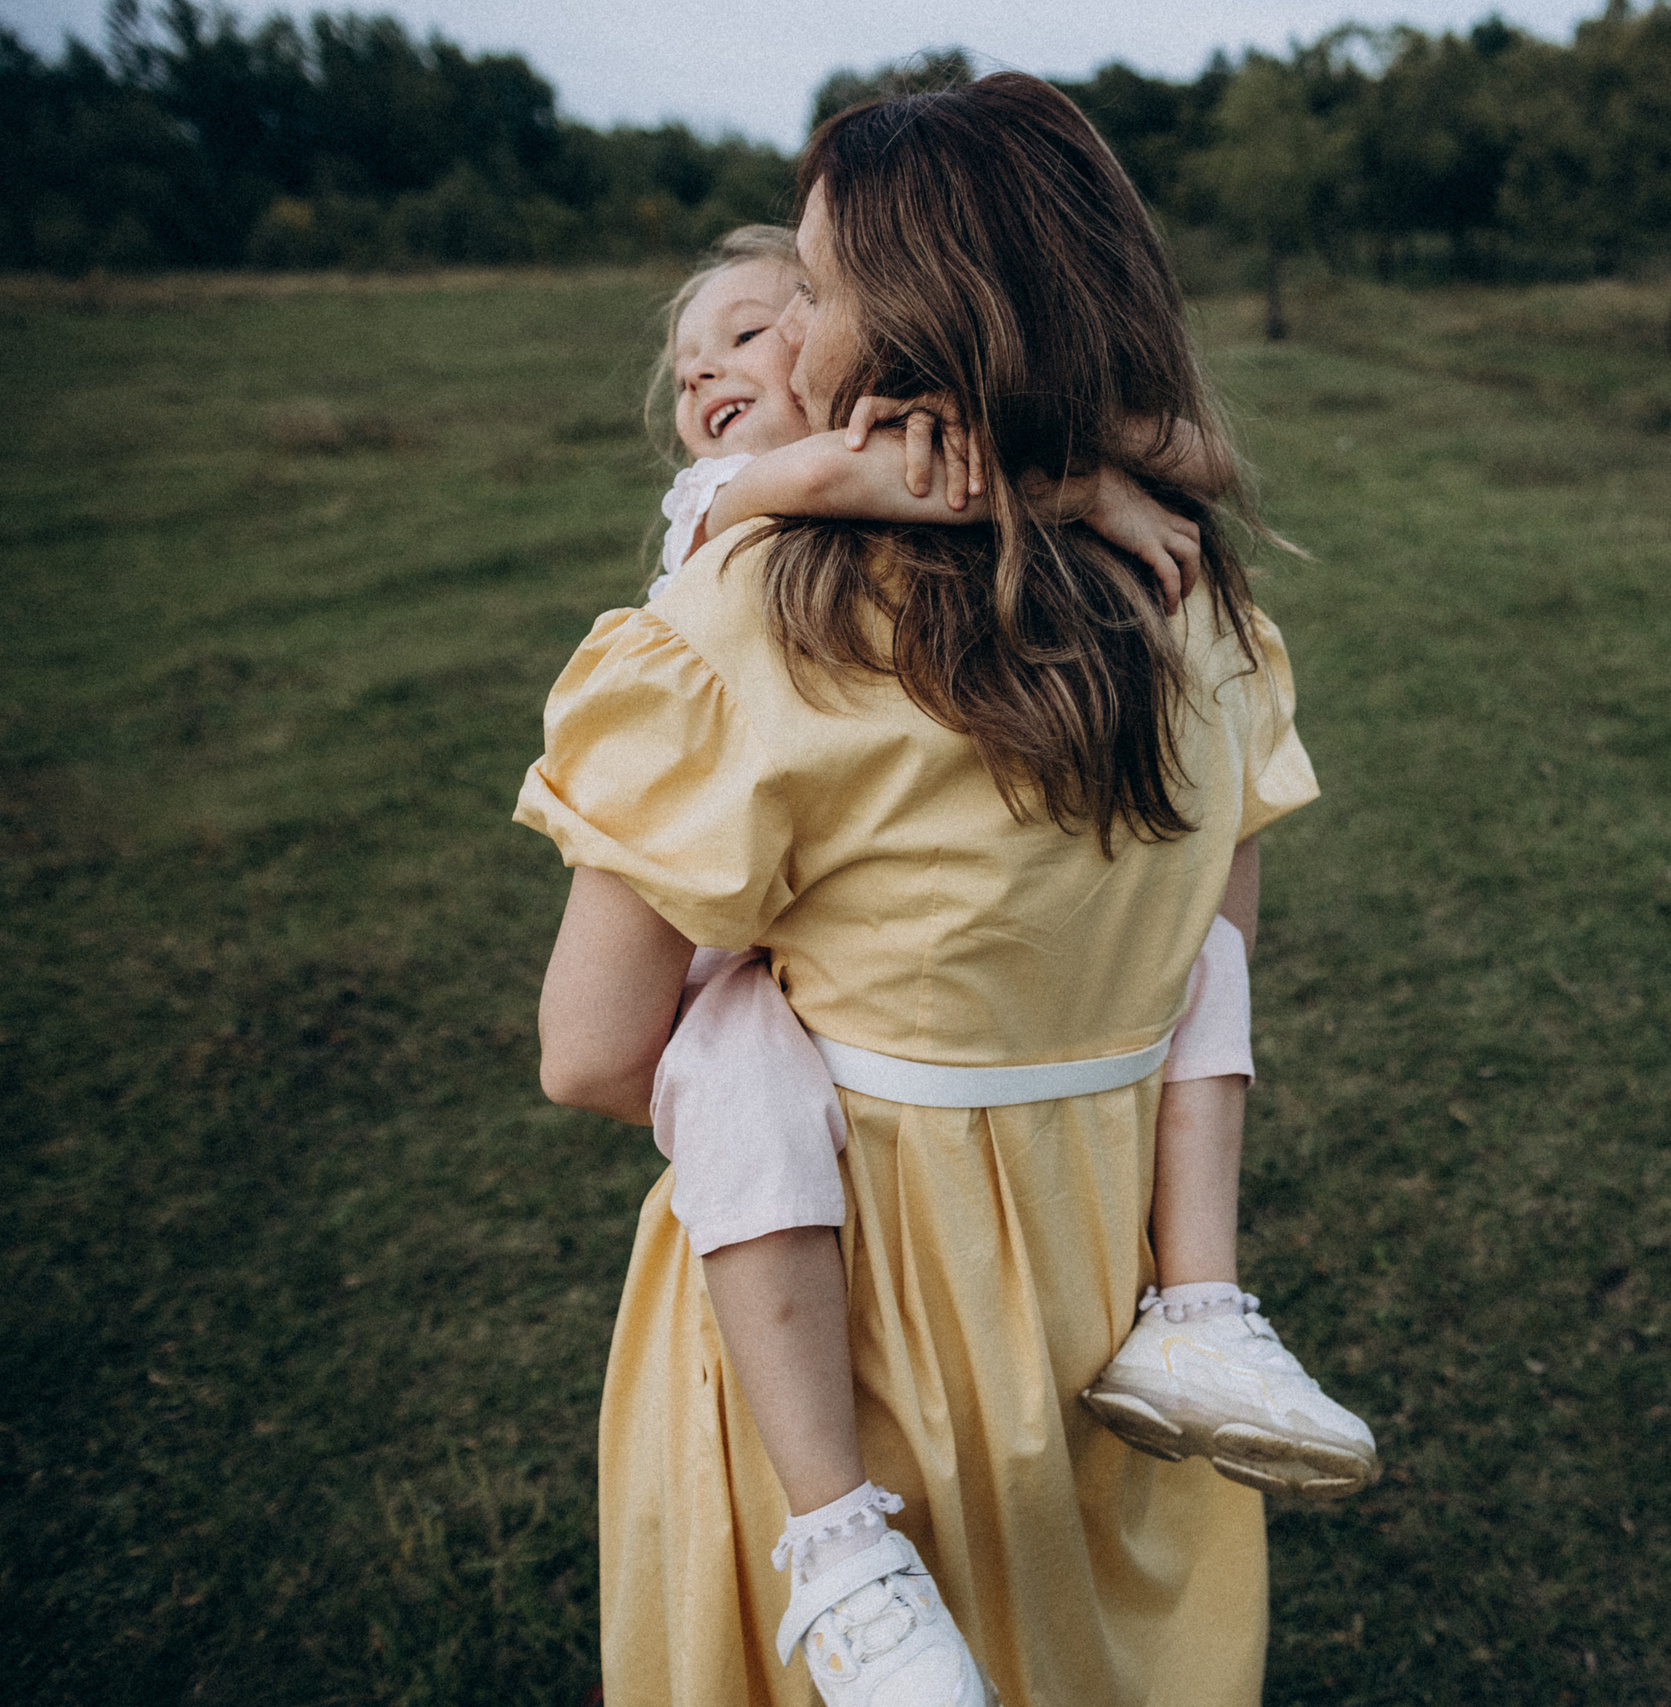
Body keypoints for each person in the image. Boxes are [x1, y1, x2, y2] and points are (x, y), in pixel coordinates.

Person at [517, 76, 1359, 1707]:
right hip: (1105, 1294)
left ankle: (840, 1553)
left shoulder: (750, 628)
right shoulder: (1202, 606)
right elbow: (1213, 953)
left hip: (843, 1311)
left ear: (913, 317)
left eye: (815, 289)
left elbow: (591, 1052)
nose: (785, 337)